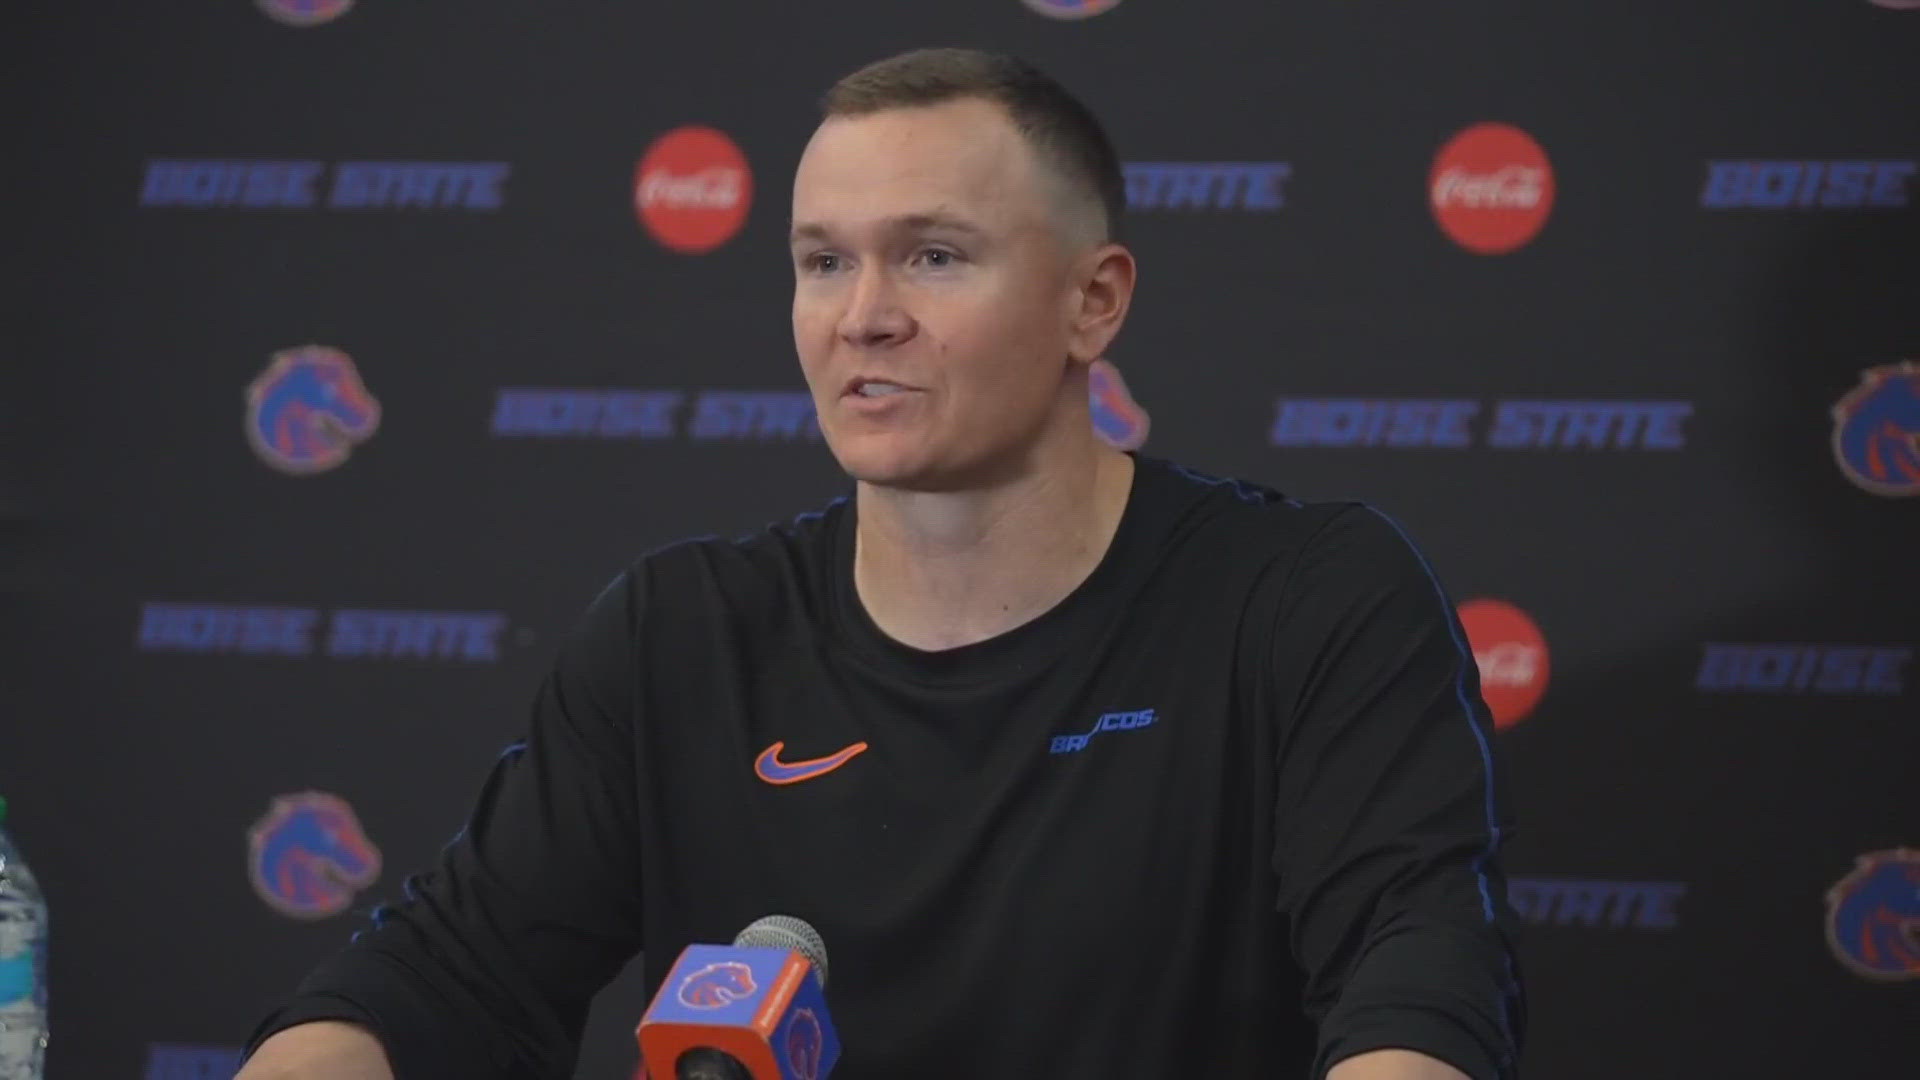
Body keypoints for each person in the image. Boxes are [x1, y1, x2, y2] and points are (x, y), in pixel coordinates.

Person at [236, 47, 1525, 1080]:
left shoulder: (1305, 599)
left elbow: (1415, 985)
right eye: (822, 262)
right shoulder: (682, 630)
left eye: (934, 254)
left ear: (1096, 302)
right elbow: (449, 978)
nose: (865, 315)